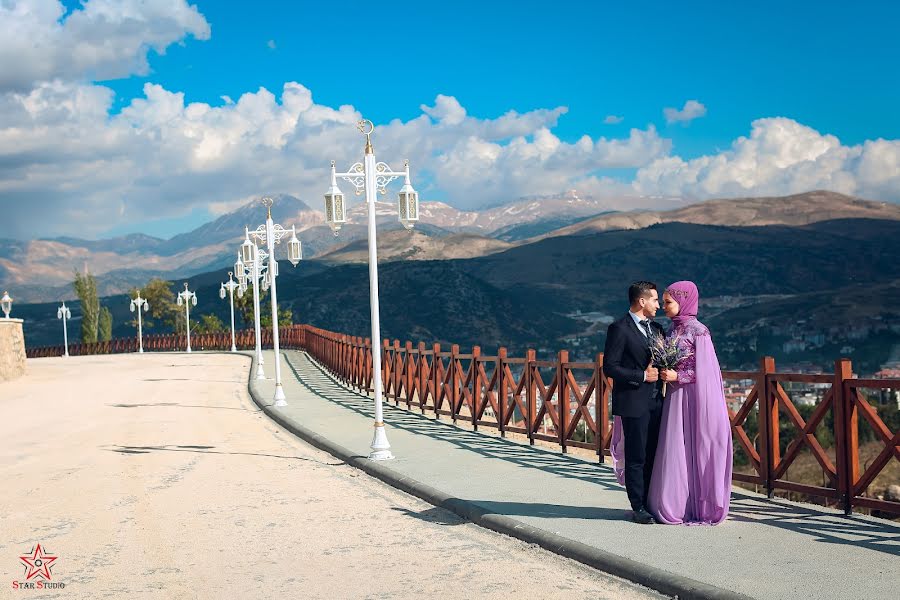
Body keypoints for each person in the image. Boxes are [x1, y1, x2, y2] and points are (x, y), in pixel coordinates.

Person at [647, 280, 733, 525]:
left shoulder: (699, 331)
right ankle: (676, 502)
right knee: (676, 445)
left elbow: (707, 371)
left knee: (696, 444)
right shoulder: (673, 330)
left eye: (668, 302)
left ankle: (698, 504)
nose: (664, 307)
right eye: (663, 302)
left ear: (684, 301)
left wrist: (678, 376)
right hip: (675, 396)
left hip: (694, 397)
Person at [604, 281, 665, 524]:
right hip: (633, 402)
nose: (658, 305)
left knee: (654, 453)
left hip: (657, 402)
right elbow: (610, 367)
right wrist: (640, 376)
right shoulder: (619, 328)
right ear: (642, 301)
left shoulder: (658, 329)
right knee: (636, 456)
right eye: (655, 300)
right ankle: (638, 506)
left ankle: (652, 502)